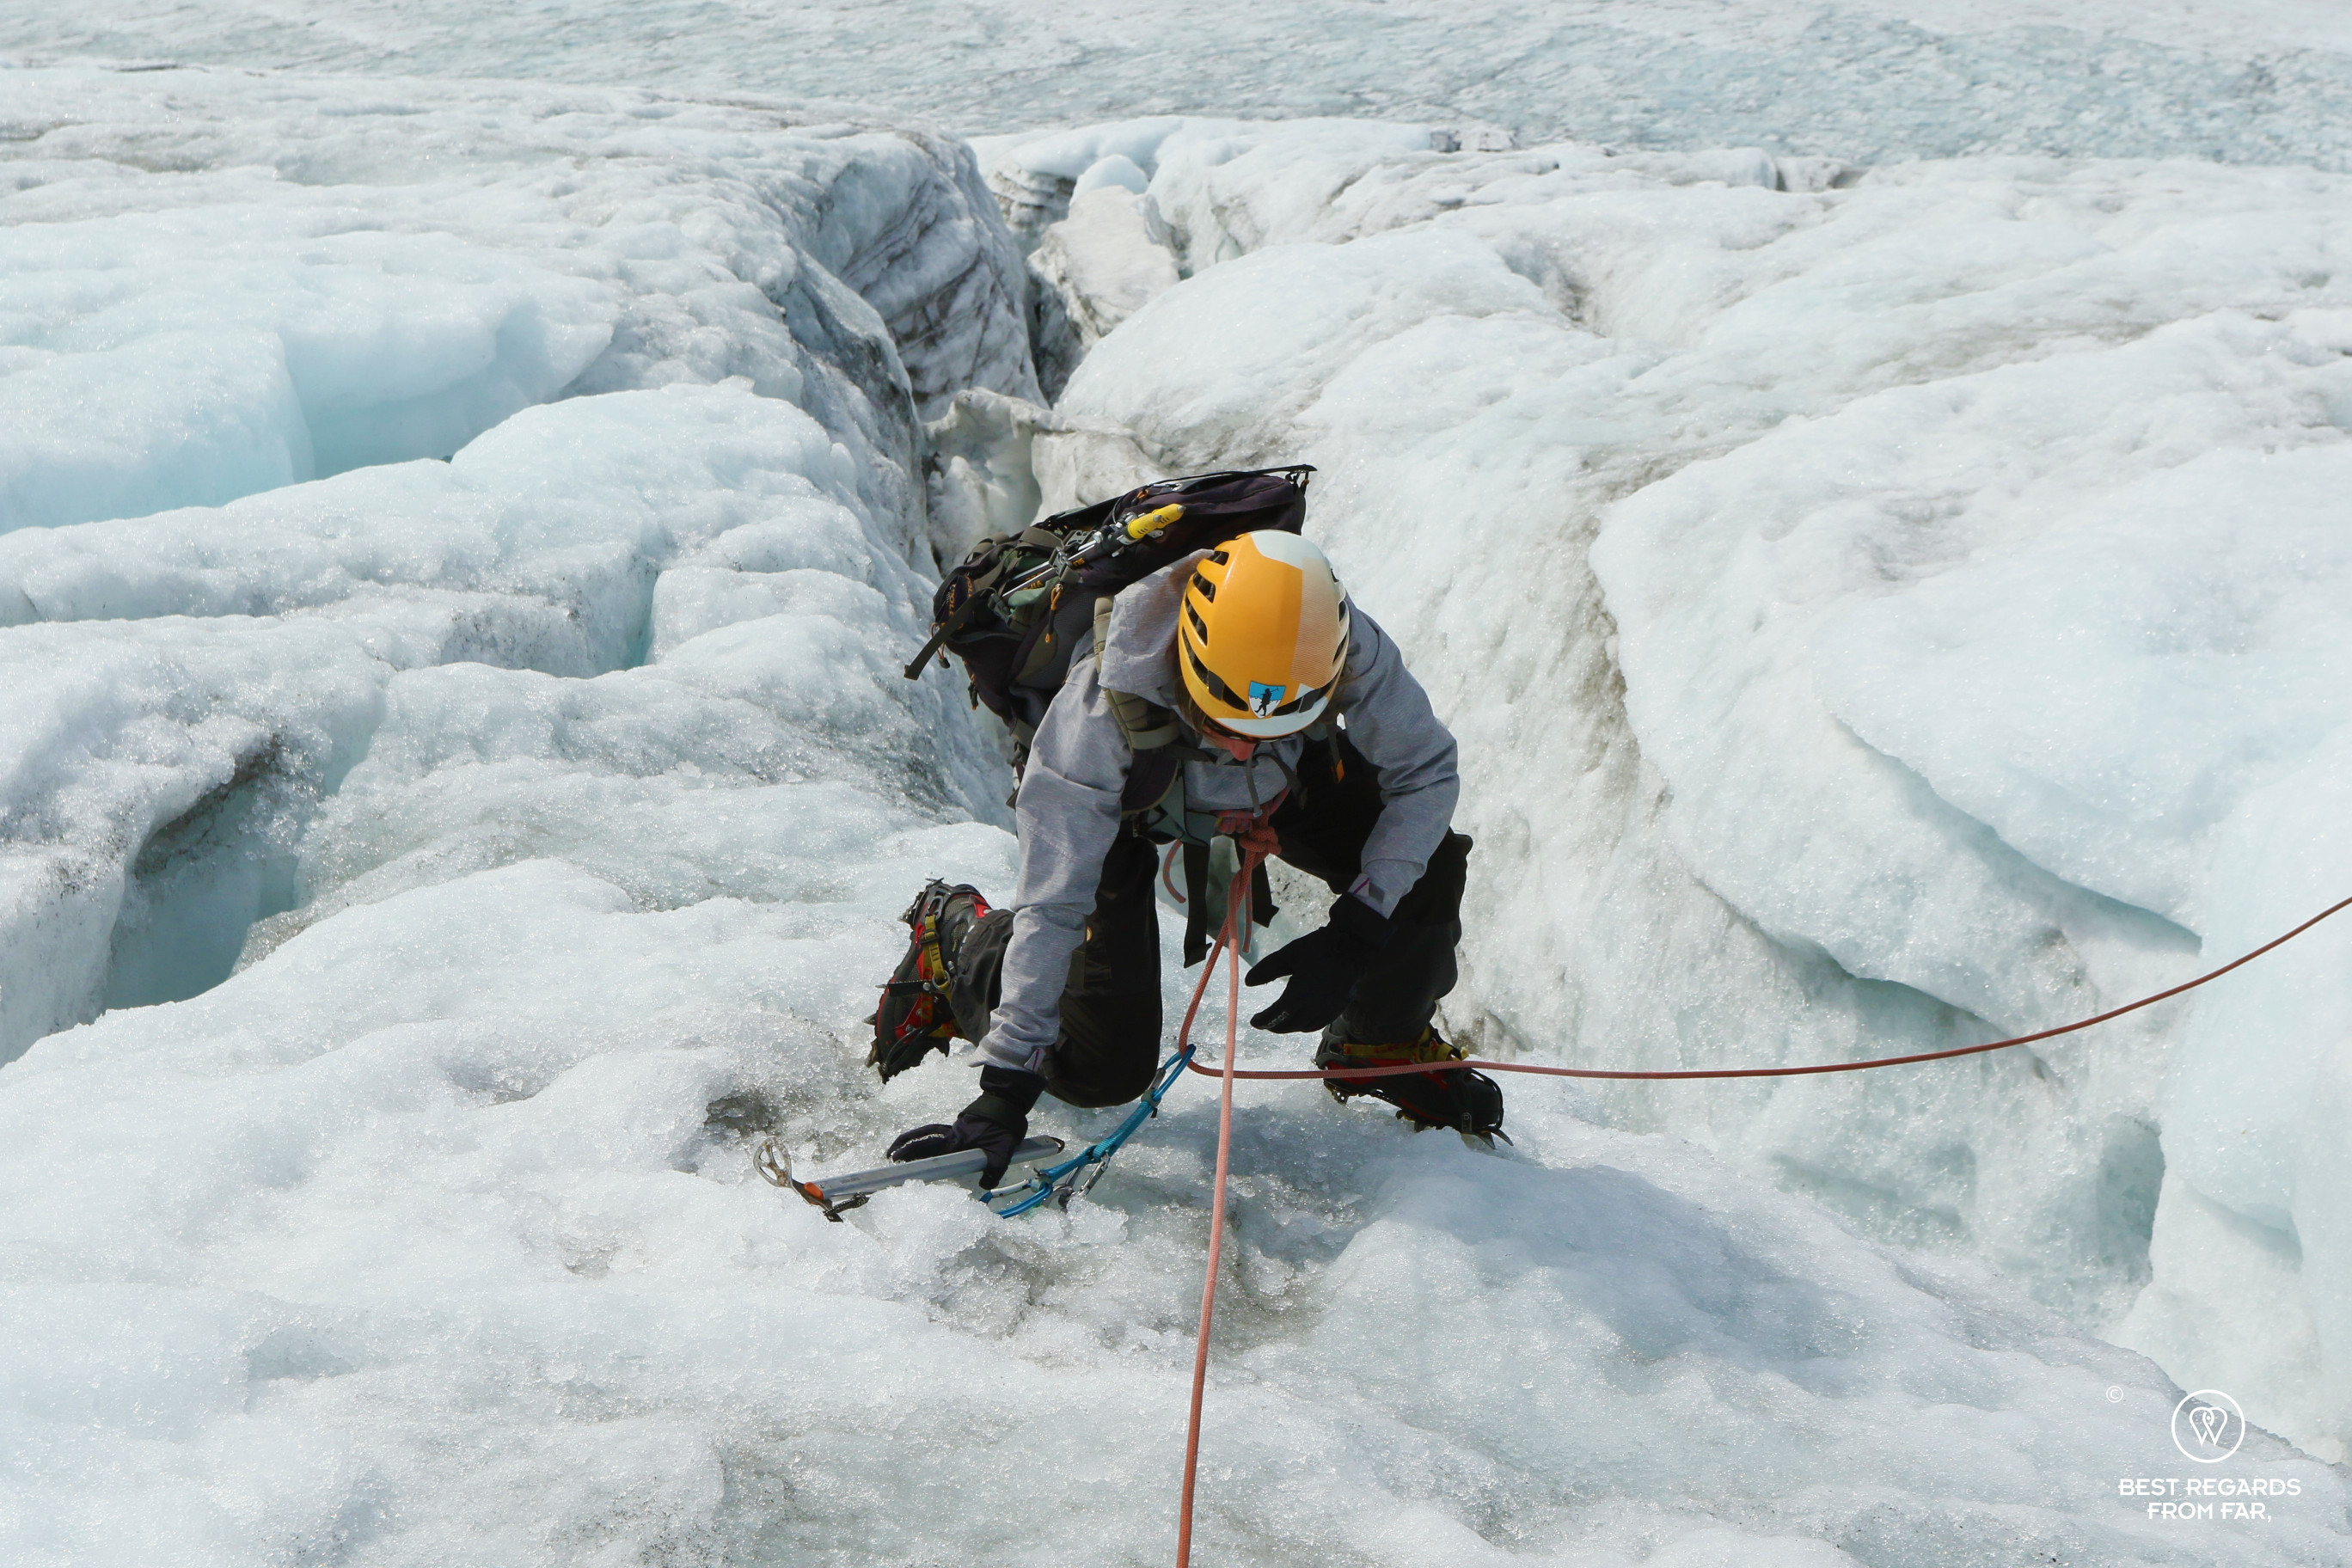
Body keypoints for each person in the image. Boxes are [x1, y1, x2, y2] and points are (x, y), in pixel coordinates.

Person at [874, 529, 1500, 1186]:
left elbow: (1425, 775)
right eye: (1222, 722)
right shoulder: (1094, 710)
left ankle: (1377, 1043)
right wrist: (1006, 1088)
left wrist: (1361, 925)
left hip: (1281, 776)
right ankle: (963, 942)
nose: (1236, 748)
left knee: (1424, 863)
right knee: (1103, 1070)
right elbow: (1056, 903)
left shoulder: (1333, 646)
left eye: (1260, 727)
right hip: (1129, 799)